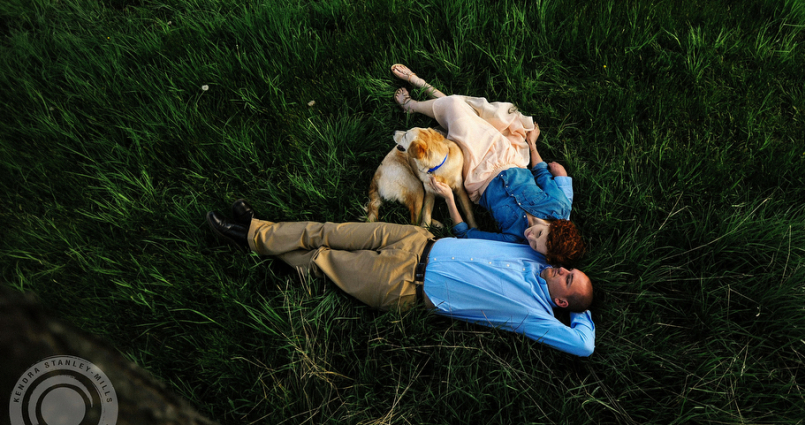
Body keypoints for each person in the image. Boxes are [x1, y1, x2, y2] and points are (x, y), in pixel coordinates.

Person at [206, 201, 595, 356]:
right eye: (570, 269)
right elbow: (548, 226)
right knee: (329, 230)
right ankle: (259, 229)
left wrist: (583, 310)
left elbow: (583, 346)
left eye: (567, 280)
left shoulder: (534, 313)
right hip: (415, 239)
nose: (562, 271)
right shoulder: (532, 254)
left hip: (405, 283)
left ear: (561, 301)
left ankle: (246, 236)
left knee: (323, 258)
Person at [390, 64, 585, 266]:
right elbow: (541, 173)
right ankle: (412, 102)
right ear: (555, 226)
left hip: (476, 175)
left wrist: (449, 198)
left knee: (456, 116)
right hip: (505, 155)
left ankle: (417, 97)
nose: (530, 237)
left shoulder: (514, 239)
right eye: (539, 234)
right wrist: (532, 144)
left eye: (535, 246)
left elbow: (467, 235)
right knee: (458, 109)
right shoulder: (558, 206)